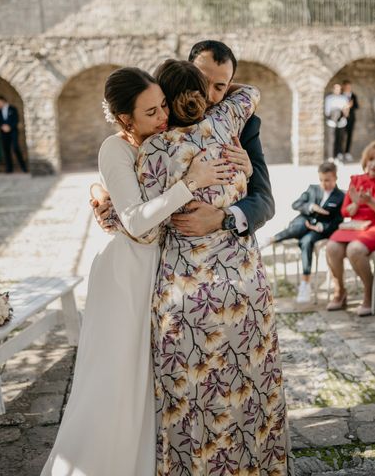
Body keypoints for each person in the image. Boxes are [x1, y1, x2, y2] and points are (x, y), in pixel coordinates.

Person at [41, 67, 235, 476]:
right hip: (125, 275)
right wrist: (190, 182)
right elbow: (134, 220)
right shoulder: (116, 149)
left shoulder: (166, 141)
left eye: (163, 105)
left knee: (149, 383)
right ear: (125, 119)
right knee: (116, 383)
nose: (163, 115)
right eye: (151, 112)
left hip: (159, 274)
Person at [137, 59, 290, 474]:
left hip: (188, 294)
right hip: (245, 285)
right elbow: (250, 92)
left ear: (162, 100)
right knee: (250, 387)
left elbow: (144, 225)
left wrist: (106, 207)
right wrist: (214, 96)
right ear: (202, 94)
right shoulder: (226, 120)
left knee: (191, 398)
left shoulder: (153, 149)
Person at [94, 40, 275, 240]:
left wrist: (223, 218)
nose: (207, 95)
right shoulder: (154, 127)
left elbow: (264, 201)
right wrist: (101, 192)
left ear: (229, 86)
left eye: (220, 86)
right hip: (162, 262)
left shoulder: (242, 124)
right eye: (203, 81)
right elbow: (133, 207)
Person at [326, 141, 375, 316]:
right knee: (332, 247)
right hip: (356, 226)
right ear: (365, 161)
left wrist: (371, 202)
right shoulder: (357, 180)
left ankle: (369, 293)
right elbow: (344, 210)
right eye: (371, 160)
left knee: (355, 250)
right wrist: (354, 205)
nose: (374, 164)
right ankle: (340, 291)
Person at [264, 162, 344, 303]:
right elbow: (296, 204)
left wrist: (320, 227)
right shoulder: (312, 189)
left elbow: (338, 221)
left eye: (327, 180)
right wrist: (311, 207)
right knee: (301, 227)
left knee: (306, 241)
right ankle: (272, 239)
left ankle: (305, 283)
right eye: (321, 180)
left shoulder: (341, 196)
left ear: (335, 178)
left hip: (320, 230)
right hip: (304, 222)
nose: (324, 184)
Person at [0, 95, 27, 173]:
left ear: (3, 101)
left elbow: (16, 120)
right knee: (6, 150)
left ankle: (23, 167)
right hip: (3, 133)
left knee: (16, 148)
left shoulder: (13, 109)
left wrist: (10, 127)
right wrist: (2, 126)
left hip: (13, 132)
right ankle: (9, 169)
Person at [325, 83, 349, 162]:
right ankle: (331, 156)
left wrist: (343, 113)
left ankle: (339, 155)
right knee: (332, 139)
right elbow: (327, 112)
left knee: (340, 139)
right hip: (332, 121)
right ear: (333, 89)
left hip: (341, 121)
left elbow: (346, 110)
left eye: (339, 89)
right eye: (336, 89)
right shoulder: (329, 98)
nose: (337, 90)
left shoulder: (344, 98)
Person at [342, 80, 359, 159]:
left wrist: (351, 106)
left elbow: (357, 106)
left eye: (349, 87)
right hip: (341, 118)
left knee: (349, 135)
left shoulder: (353, 96)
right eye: (347, 86)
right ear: (344, 87)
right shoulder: (341, 95)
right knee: (341, 136)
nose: (348, 88)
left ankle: (347, 152)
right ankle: (340, 153)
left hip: (351, 118)